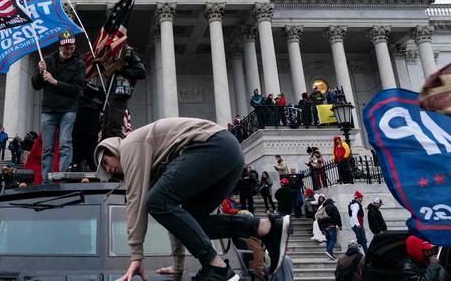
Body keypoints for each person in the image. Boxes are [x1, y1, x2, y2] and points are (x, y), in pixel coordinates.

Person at [94, 117, 291, 280]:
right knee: (192, 220)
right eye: (105, 171)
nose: (108, 169)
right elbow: (177, 222)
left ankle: (218, 268)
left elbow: (136, 202)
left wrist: (136, 255)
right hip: (229, 153)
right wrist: (179, 266)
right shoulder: (153, 164)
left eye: (105, 162)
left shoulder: (130, 145)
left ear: (113, 149)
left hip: (213, 146)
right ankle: (265, 227)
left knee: (155, 201)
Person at [32, 33, 84, 181]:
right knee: (47, 148)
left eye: (72, 47)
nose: (69, 50)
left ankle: (63, 178)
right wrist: (40, 72)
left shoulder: (79, 64)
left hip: (68, 109)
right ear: (60, 46)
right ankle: (46, 179)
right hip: (49, 110)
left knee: (65, 144)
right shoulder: (48, 60)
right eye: (67, 47)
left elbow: (77, 90)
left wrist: (55, 82)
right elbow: (36, 85)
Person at [101, 44, 146, 139]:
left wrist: (122, 70)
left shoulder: (128, 52)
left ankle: (119, 150)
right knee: (106, 128)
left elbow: (141, 72)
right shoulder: (112, 54)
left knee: (113, 128)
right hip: (110, 94)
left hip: (120, 94)